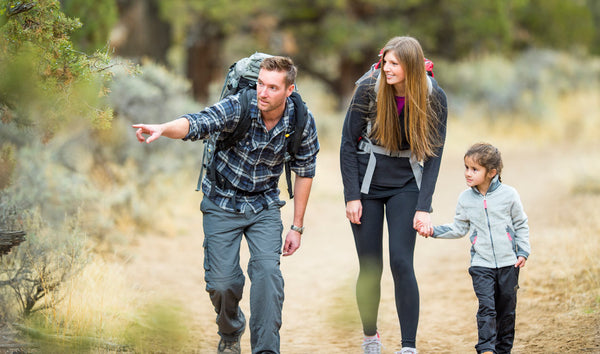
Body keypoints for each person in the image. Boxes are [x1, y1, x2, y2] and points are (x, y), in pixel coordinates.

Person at [132, 56, 319, 354]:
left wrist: (296, 226)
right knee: (222, 284)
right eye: (260, 84)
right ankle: (230, 332)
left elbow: (305, 169)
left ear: (289, 90)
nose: (262, 92)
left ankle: (266, 349)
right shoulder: (239, 106)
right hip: (222, 201)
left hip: (264, 205)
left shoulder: (300, 120)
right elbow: (198, 122)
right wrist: (163, 128)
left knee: (268, 275)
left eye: (272, 87)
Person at [340, 36, 448, 354]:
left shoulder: (434, 96)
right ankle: (371, 337)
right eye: (385, 62)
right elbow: (348, 143)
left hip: (406, 183)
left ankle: (408, 347)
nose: (386, 68)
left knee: (402, 262)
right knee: (370, 265)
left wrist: (423, 206)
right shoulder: (369, 88)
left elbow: (435, 154)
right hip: (367, 184)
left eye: (394, 64)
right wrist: (351, 196)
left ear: (411, 66)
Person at [419, 142, 530, 354]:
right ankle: (486, 349)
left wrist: (523, 251)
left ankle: (502, 350)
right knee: (487, 308)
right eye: (466, 168)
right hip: (481, 265)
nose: (467, 173)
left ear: (492, 172)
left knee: (506, 312)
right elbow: (459, 228)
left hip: (509, 264)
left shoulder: (509, 195)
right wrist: (433, 231)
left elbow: (521, 223)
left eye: (474, 169)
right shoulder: (465, 199)